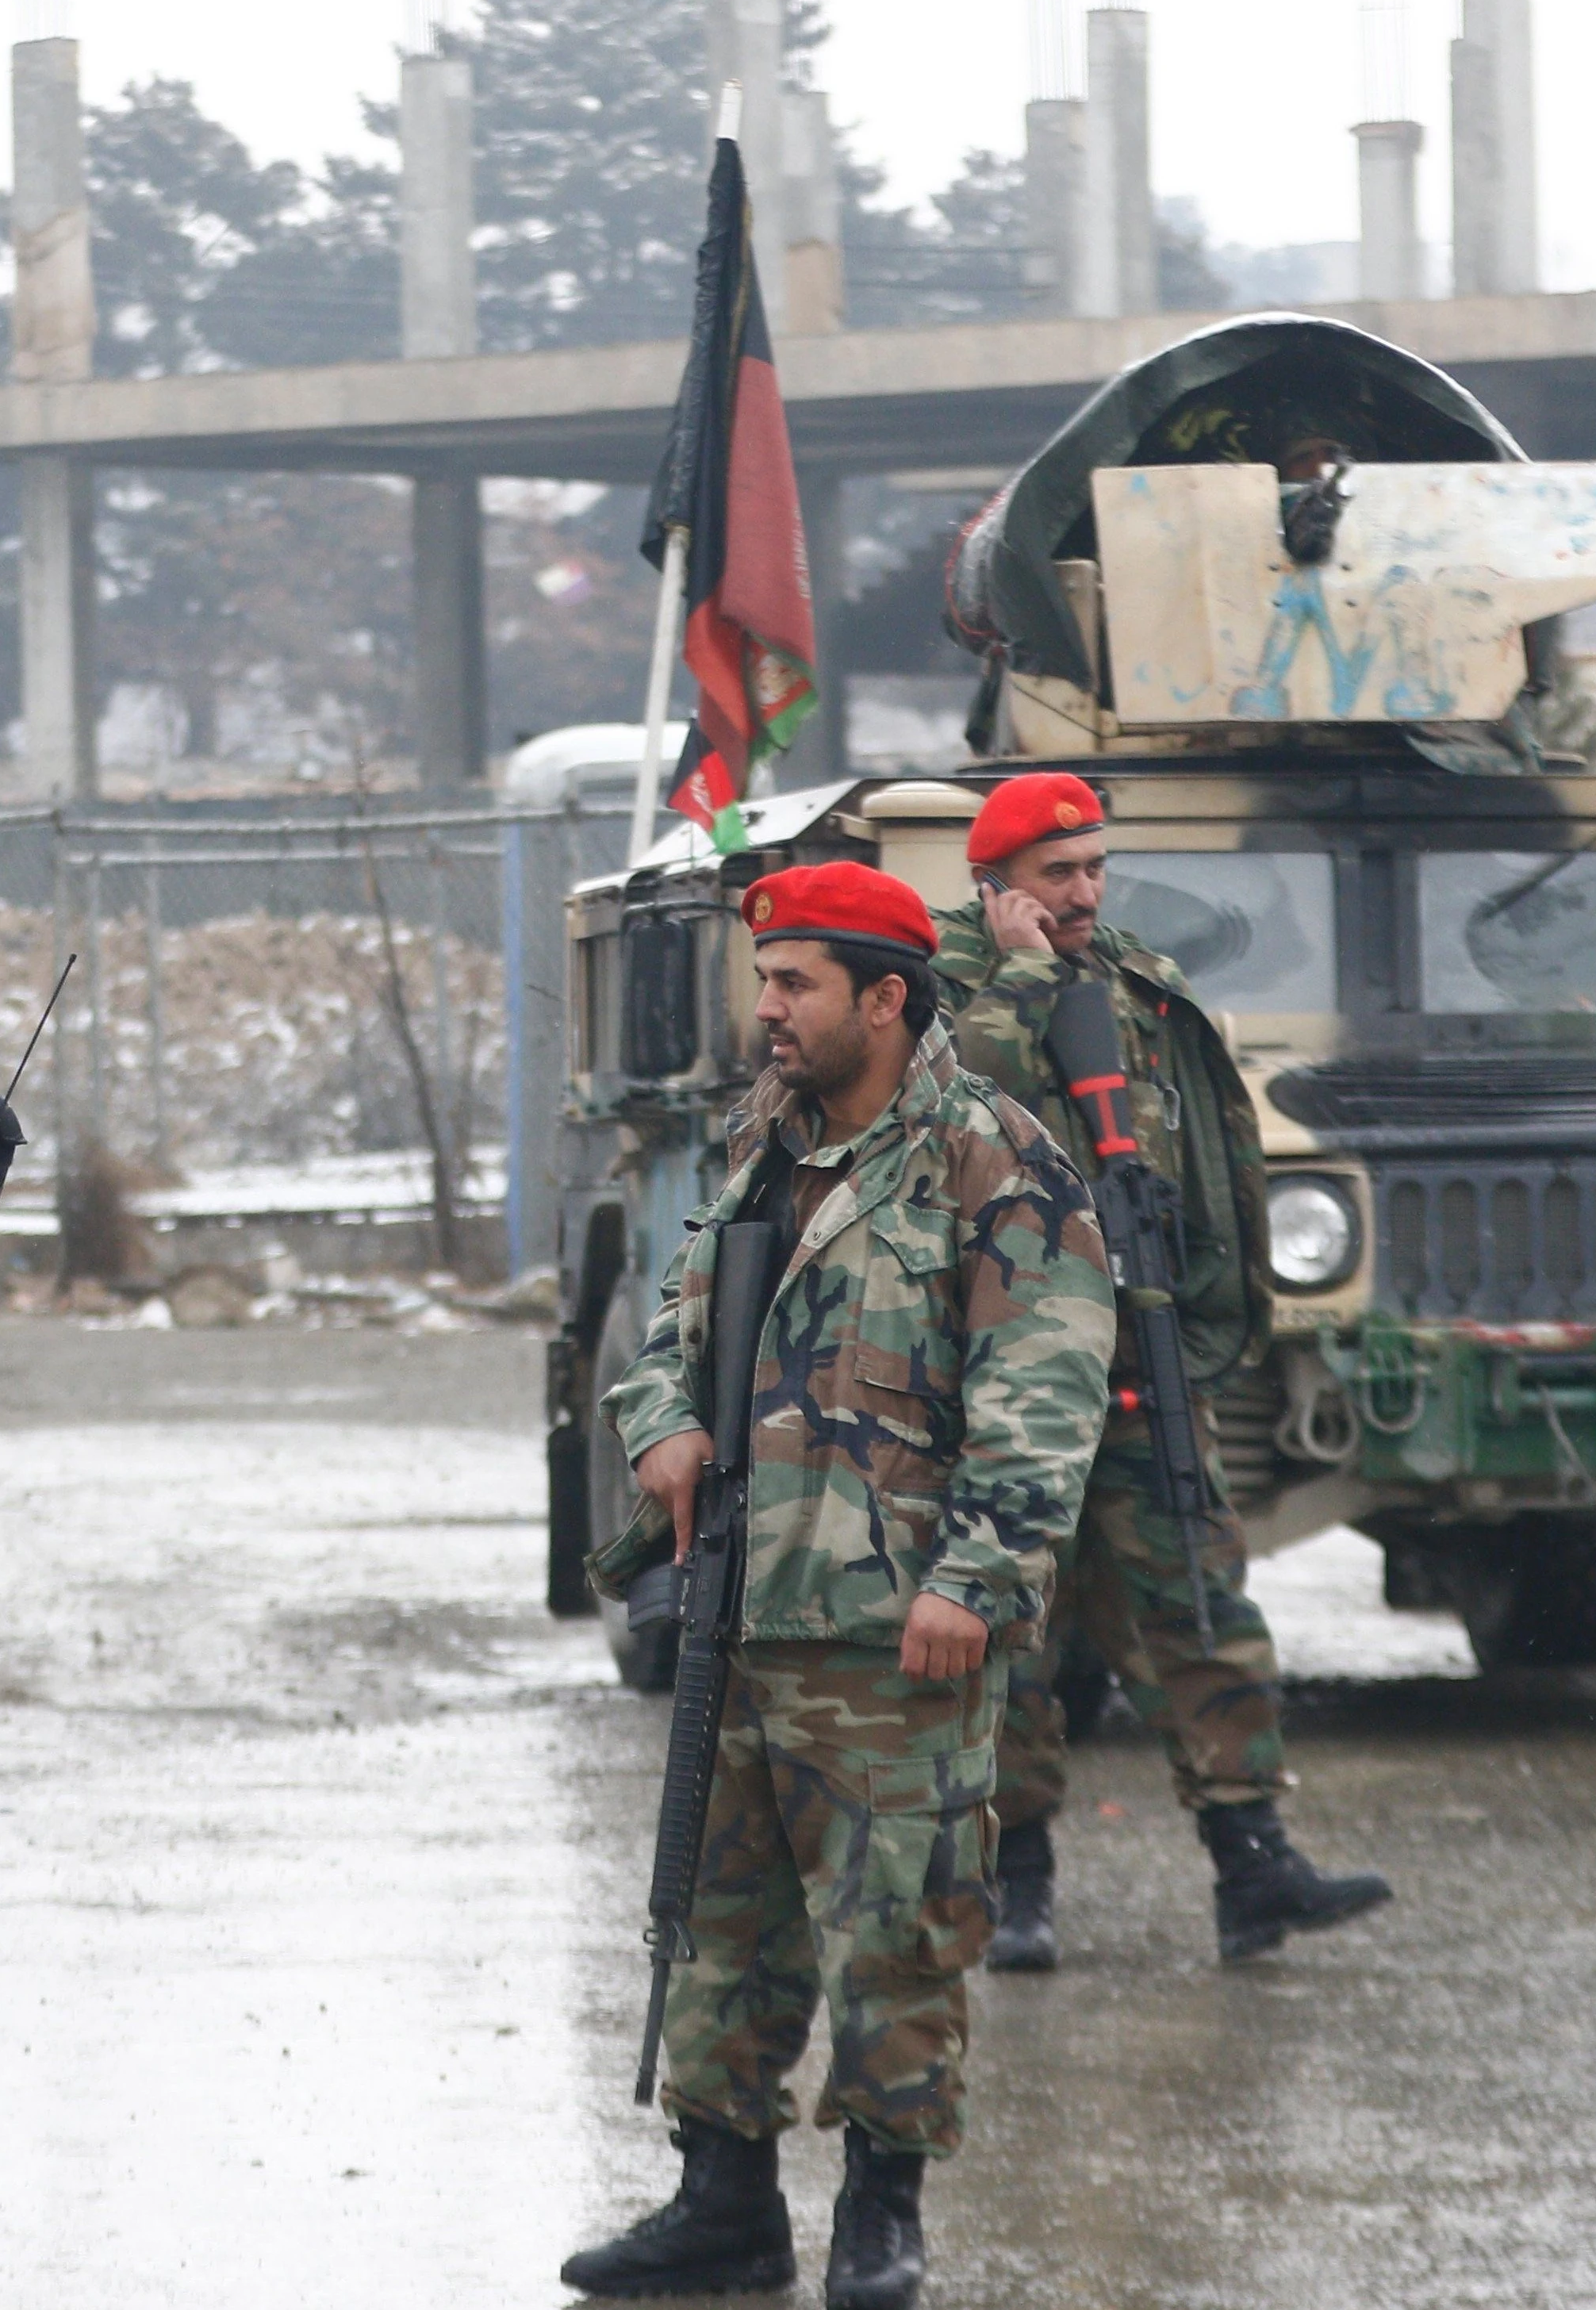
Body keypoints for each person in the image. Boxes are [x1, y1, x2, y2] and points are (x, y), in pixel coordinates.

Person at [566, 859, 1114, 2310]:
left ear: (886, 996)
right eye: (765, 981)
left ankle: (882, 2213)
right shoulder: (768, 1151)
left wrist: (979, 1578)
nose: (769, 1010)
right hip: (743, 1617)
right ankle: (723, 2202)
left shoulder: (989, 1156)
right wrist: (664, 1420)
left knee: (902, 1932)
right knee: (722, 1924)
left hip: (895, 1631)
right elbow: (673, 1331)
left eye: (796, 982)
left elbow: (1045, 1389)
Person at [931, 771, 1393, 1969]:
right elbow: (954, 1109)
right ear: (998, 886)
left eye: (1093, 867)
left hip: (1140, 1344)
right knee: (1012, 1630)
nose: (1083, 893)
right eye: (1057, 875)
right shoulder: (939, 982)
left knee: (1201, 1594)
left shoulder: (1137, 982)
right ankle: (1015, 1885)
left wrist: (1204, 1300)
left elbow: (1200, 1136)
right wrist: (1024, 975)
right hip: (1002, 1364)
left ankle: (1254, 1865)